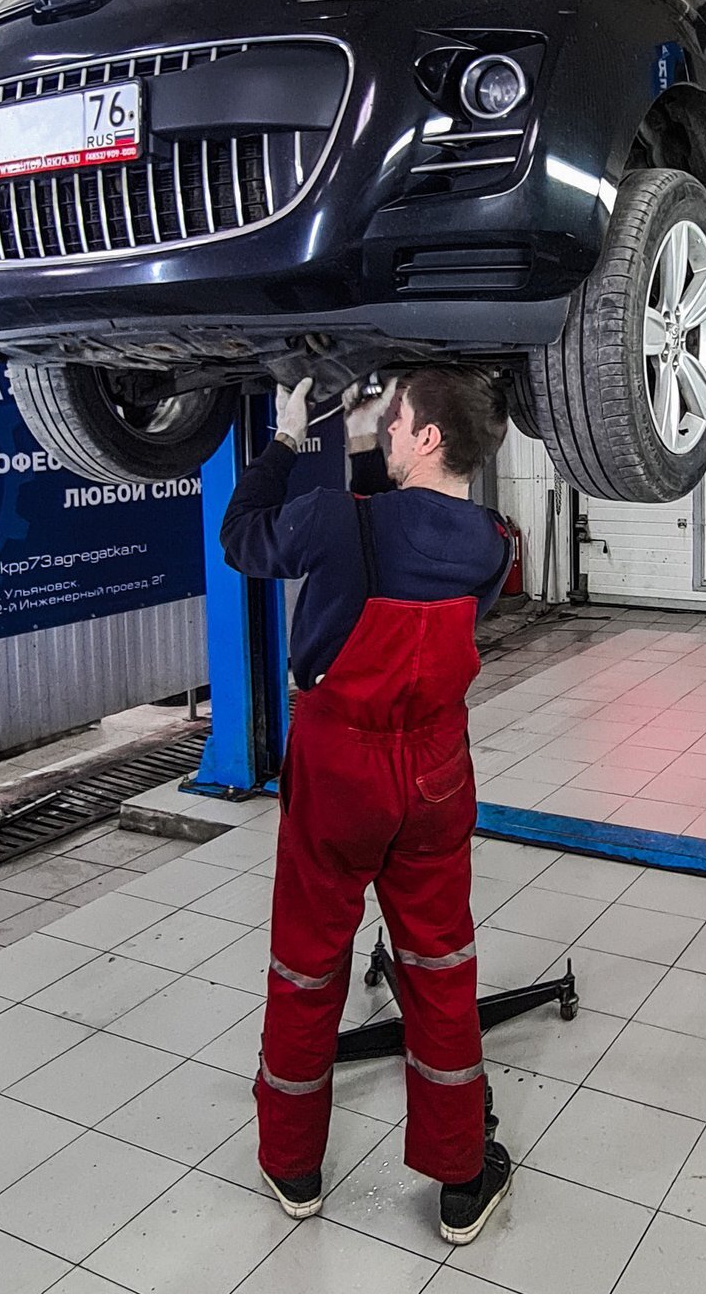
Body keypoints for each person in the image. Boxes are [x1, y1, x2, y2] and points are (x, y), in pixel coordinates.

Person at [220, 367, 516, 1245]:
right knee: (439, 966)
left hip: (340, 766)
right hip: (433, 772)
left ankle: (294, 1165)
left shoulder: (334, 520)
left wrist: (284, 440)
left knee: (310, 961)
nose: (383, 431)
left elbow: (243, 538)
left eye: (393, 423)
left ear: (426, 436)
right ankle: (462, 1178)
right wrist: (358, 446)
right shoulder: (497, 546)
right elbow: (410, 538)